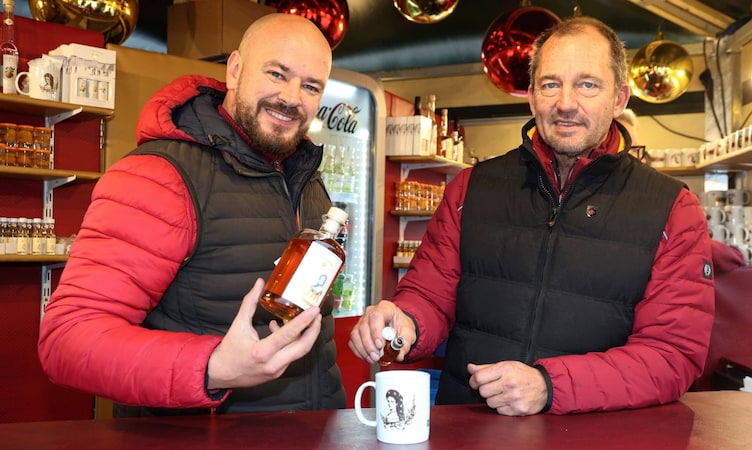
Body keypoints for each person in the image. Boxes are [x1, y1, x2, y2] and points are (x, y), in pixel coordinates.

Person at [349, 16, 714, 416]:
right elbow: (430, 296)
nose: (566, 103)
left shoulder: (672, 209)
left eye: (587, 84)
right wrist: (405, 322)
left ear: (620, 98)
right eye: (550, 84)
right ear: (532, 96)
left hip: (595, 437)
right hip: (471, 430)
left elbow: (672, 354)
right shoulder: (471, 188)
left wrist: (549, 386)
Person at [38, 13, 347, 416]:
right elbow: (67, 339)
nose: (291, 97)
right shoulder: (160, 175)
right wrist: (211, 367)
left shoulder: (304, 175)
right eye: (276, 73)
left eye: (310, 86)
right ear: (234, 70)